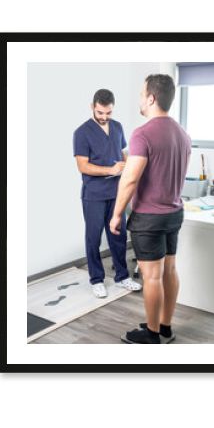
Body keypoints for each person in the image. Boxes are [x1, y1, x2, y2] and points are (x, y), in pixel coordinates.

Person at [110, 75, 191, 343]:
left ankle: (153, 334)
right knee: (169, 270)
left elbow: (130, 179)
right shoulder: (183, 133)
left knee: (152, 276)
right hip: (173, 213)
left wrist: (117, 214)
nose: (140, 99)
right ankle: (165, 326)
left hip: (149, 218)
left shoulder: (142, 134)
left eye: (142, 93)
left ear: (152, 98)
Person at [73, 89, 142, 298]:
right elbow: (83, 166)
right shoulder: (82, 132)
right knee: (93, 238)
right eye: (100, 112)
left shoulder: (118, 127)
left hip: (117, 192)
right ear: (92, 107)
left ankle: (122, 277)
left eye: (108, 113)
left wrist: (131, 166)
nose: (104, 117)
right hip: (93, 194)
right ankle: (96, 280)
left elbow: (123, 154)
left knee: (118, 236)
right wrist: (110, 170)